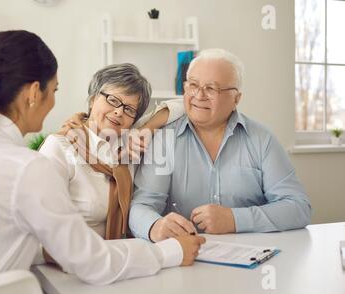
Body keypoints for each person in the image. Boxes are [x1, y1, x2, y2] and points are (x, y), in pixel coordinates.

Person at [0, 30, 205, 284]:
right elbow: (92, 263)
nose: (56, 103)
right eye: (54, 90)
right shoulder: (28, 167)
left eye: (128, 109)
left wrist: (145, 128)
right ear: (33, 93)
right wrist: (171, 253)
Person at [129, 48, 312, 242]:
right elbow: (141, 206)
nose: (199, 96)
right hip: (183, 260)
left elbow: (298, 207)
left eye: (211, 88)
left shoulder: (262, 140)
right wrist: (154, 226)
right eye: (193, 85)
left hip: (252, 259)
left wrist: (235, 220)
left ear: (236, 98)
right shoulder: (163, 139)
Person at [38, 63, 184, 240]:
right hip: (69, 259)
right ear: (92, 100)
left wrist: (148, 127)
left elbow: (188, 103)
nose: (118, 112)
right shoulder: (60, 146)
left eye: (129, 109)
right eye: (113, 100)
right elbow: (43, 225)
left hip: (121, 255)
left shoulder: (130, 143)